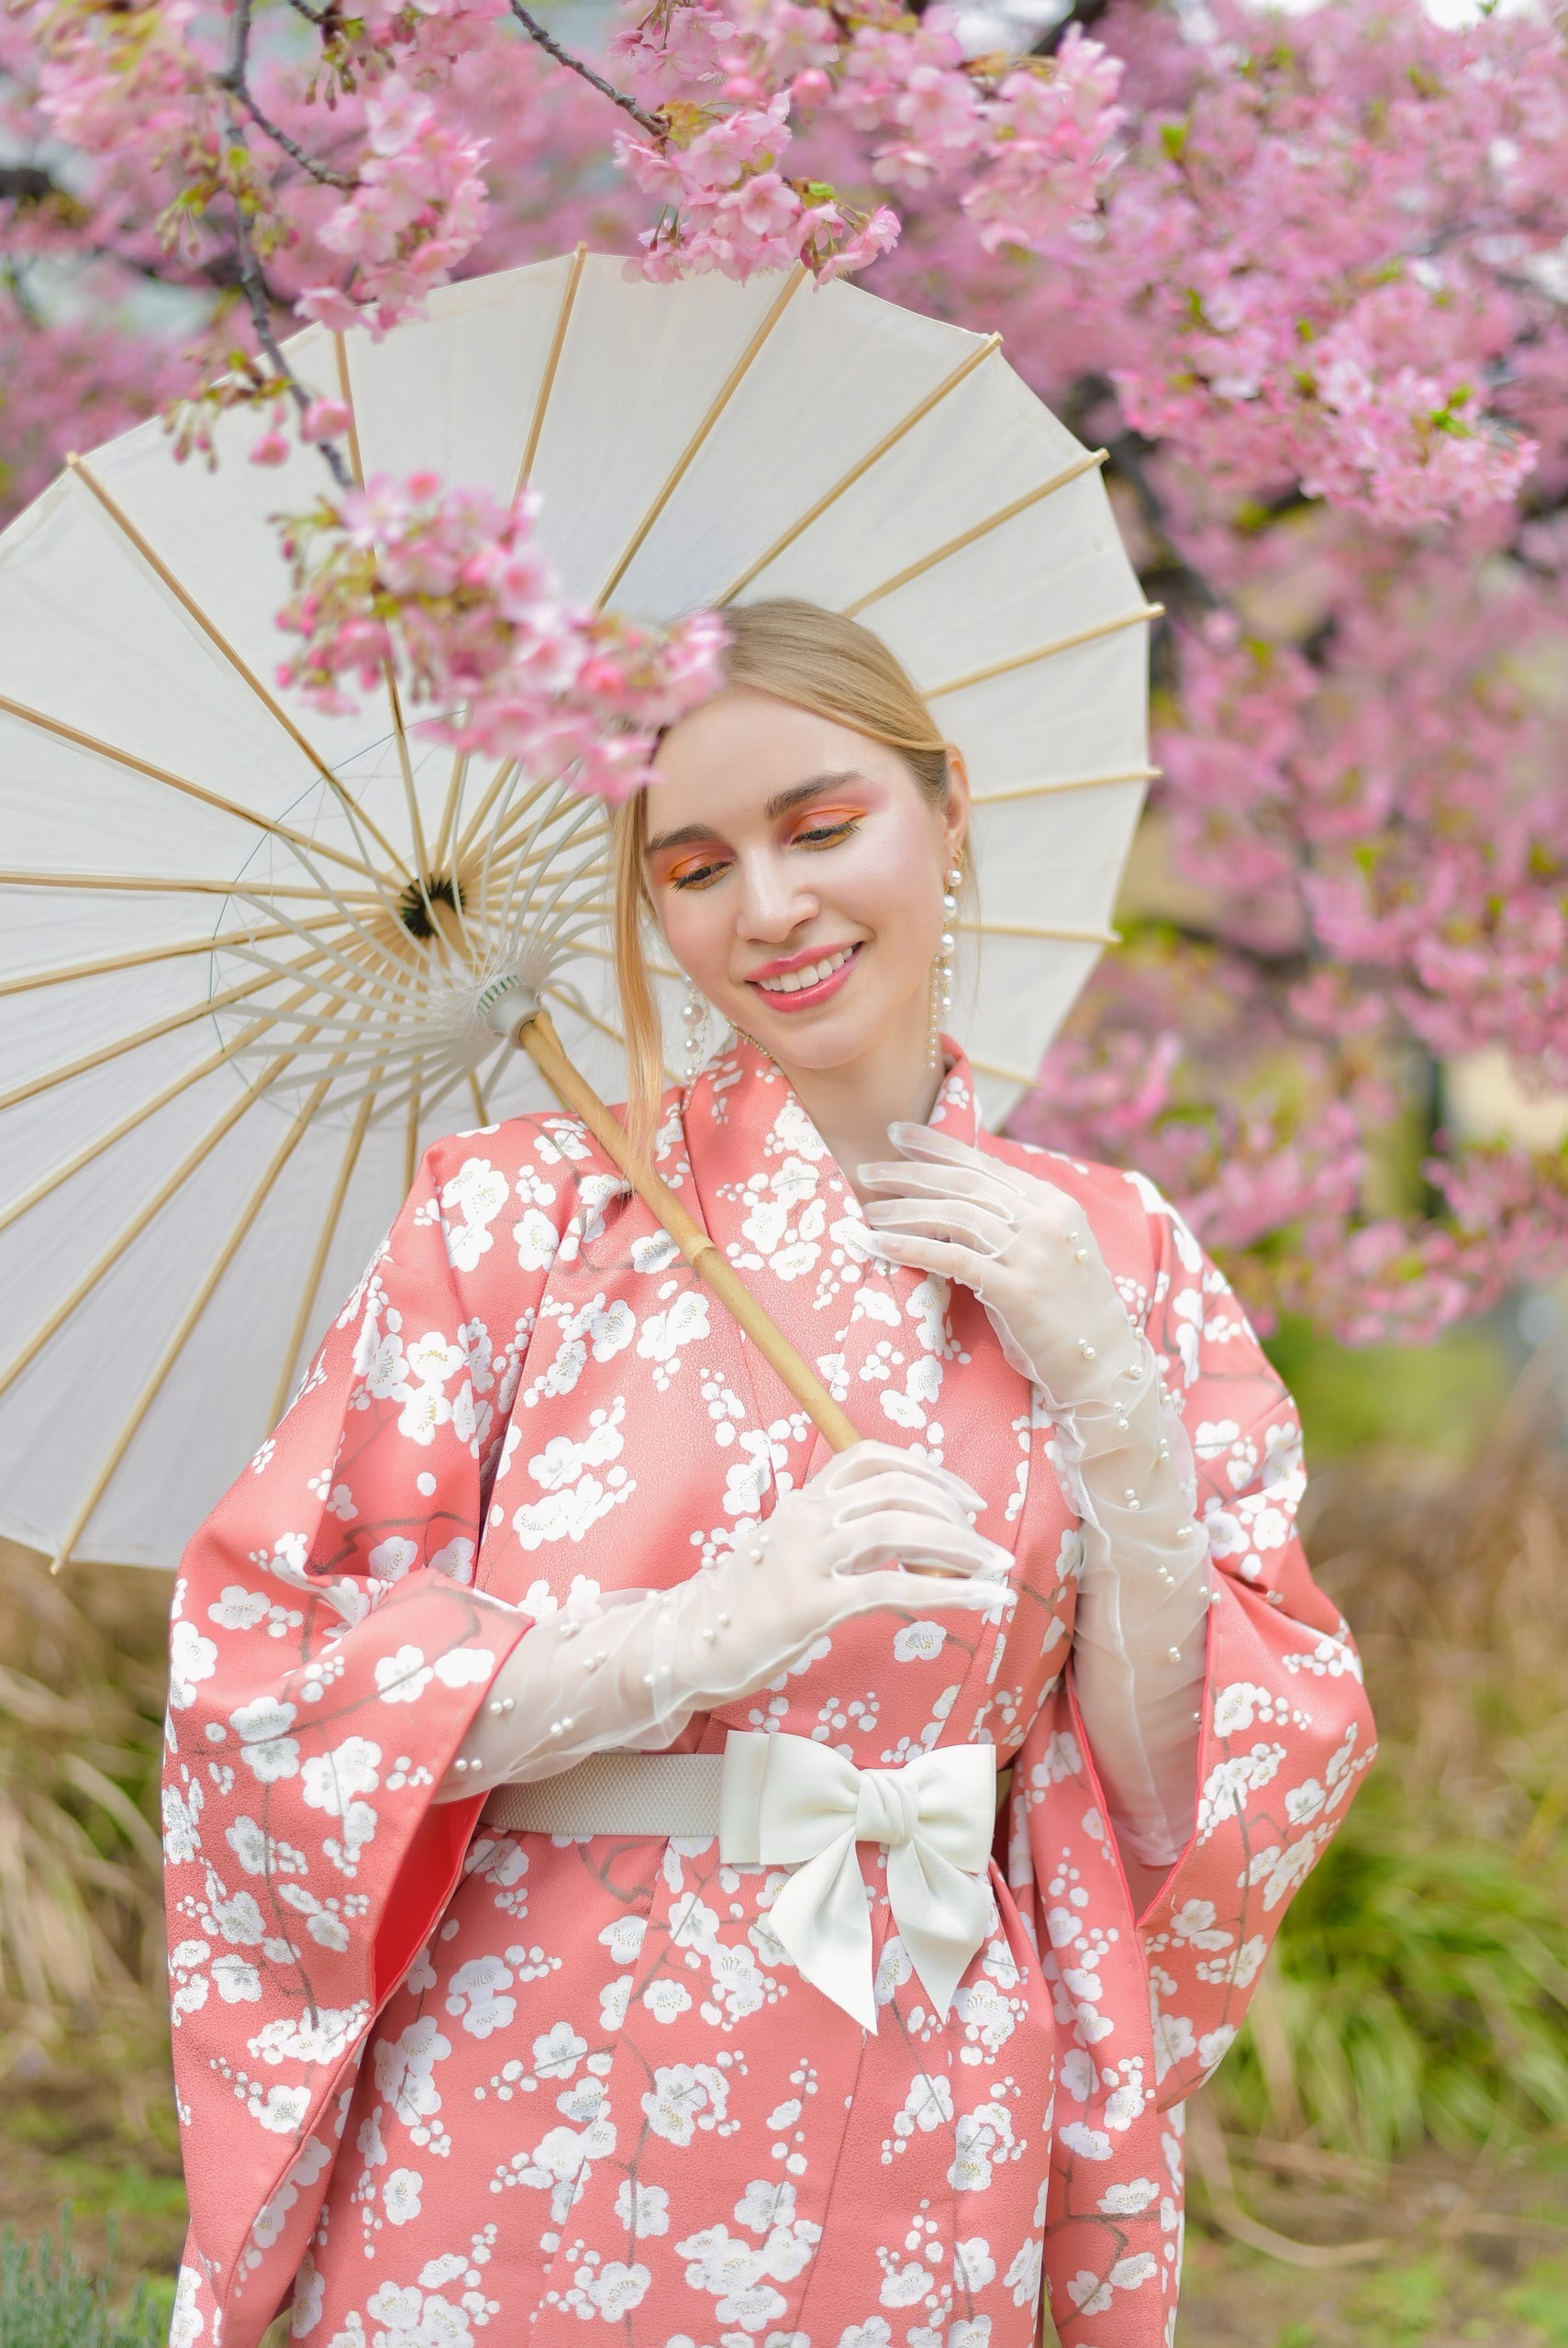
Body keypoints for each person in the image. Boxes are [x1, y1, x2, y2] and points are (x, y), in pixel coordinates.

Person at [161, 601, 1373, 2348]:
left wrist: (1101, 1381)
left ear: (946, 811)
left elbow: (1177, 1778)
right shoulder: (519, 1212)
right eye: (695, 868)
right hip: (532, 2076)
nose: (772, 910)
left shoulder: (1116, 1251)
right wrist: (708, 1633)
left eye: (821, 829)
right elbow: (274, 1695)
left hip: (922, 2074)